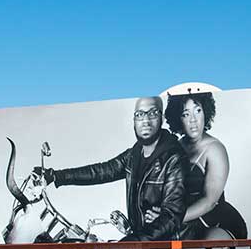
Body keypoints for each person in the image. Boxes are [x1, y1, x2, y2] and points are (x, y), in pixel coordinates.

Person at [34, 96, 186, 240]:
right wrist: (55, 176)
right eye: (140, 114)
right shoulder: (134, 154)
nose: (145, 120)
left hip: (166, 248)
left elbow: (171, 216)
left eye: (152, 113)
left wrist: (130, 242)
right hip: (140, 241)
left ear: (162, 118)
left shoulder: (173, 158)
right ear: (134, 120)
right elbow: (101, 171)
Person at [151, 91, 249, 240]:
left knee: (204, 247)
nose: (193, 120)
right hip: (184, 222)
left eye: (197, 111)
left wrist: (170, 219)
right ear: (178, 118)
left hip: (217, 222)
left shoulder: (215, 149)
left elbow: (209, 202)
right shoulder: (175, 146)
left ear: (206, 112)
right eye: (186, 114)